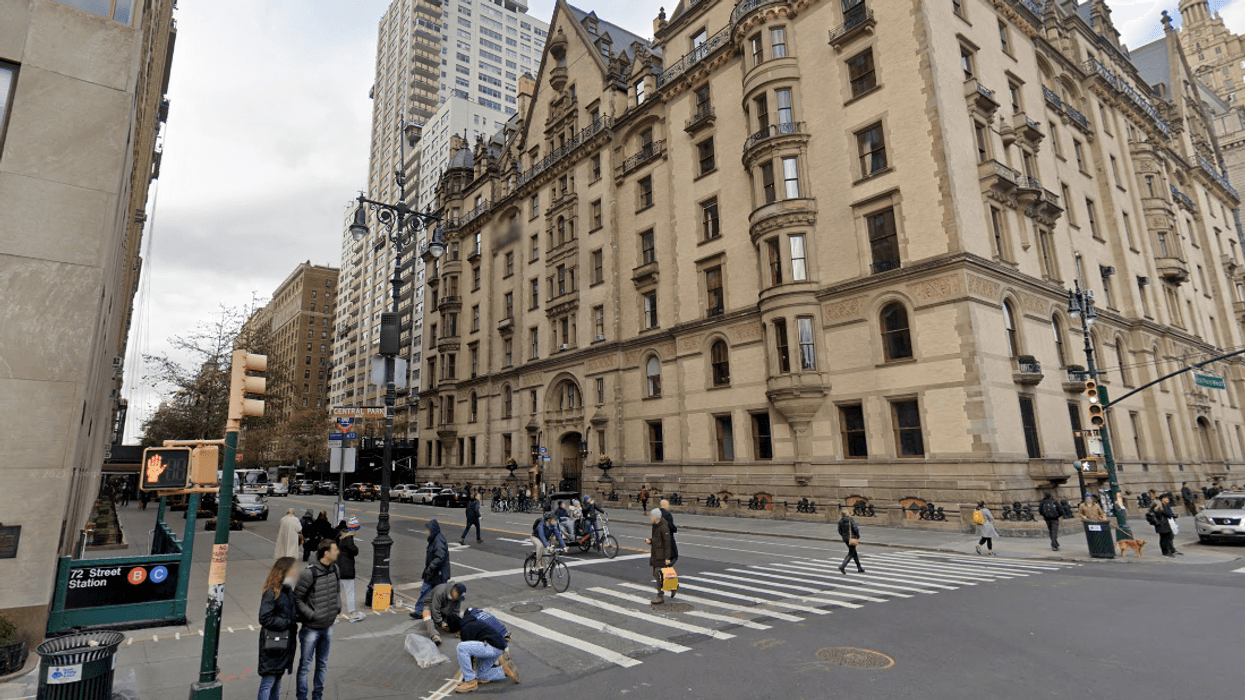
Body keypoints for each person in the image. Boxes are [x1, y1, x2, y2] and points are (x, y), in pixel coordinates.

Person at [294, 540, 340, 700]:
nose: (338, 552)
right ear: (326, 553)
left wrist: (337, 608)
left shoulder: (335, 569)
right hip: (311, 628)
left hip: (328, 626)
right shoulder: (309, 573)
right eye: (335, 549)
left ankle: (317, 696)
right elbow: (297, 598)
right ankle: (302, 697)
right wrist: (312, 615)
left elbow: (337, 591)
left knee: (323, 664)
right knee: (305, 665)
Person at [257, 557, 299, 700]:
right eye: (292, 568)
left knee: (277, 681)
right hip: (273, 644)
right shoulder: (272, 592)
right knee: (268, 683)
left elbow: (291, 612)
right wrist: (287, 622)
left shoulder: (287, 591)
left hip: (283, 644)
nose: (295, 571)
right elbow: (264, 618)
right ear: (284, 571)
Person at [449, 609, 520, 693]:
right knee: (481, 675)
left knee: (461, 647)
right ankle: (505, 670)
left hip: (492, 646)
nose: (456, 635)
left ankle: (471, 683)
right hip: (498, 646)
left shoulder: (465, 629)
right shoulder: (470, 622)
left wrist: (467, 679)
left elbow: (470, 657)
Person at [410, 519, 451, 620]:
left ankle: (443, 614)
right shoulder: (435, 539)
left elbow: (440, 557)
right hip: (433, 573)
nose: (426, 532)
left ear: (432, 530)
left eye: (427, 530)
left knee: (436, 594)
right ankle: (419, 611)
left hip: (438, 574)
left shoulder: (438, 540)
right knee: (426, 591)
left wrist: (431, 568)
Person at [335, 517, 363, 622]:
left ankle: (333, 615)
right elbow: (353, 550)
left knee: (337, 592)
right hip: (347, 570)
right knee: (350, 592)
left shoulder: (342, 537)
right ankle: (352, 614)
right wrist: (356, 549)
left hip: (339, 568)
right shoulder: (349, 538)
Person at [423, 581, 466, 645]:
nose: (459, 599)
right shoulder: (440, 591)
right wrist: (440, 622)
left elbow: (456, 612)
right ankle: (434, 635)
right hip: (431, 606)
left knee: (453, 623)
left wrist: (455, 626)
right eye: (458, 596)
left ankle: (452, 628)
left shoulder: (457, 598)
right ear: (454, 592)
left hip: (445, 609)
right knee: (426, 615)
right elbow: (435, 609)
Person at [644, 508, 673, 604]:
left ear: (655, 517)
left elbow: (667, 543)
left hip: (661, 556)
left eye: (651, 516)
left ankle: (660, 596)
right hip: (655, 554)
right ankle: (673, 586)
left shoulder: (664, 527)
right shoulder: (655, 526)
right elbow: (657, 540)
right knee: (657, 574)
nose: (650, 518)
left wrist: (667, 558)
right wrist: (650, 541)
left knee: (658, 575)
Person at [530, 512, 565, 586]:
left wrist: (564, 546)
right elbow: (541, 536)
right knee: (540, 546)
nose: (554, 521)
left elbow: (558, 535)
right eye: (553, 519)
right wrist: (547, 546)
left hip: (545, 540)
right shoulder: (541, 525)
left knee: (546, 560)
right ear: (549, 520)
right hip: (536, 538)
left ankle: (544, 578)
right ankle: (538, 564)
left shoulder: (553, 526)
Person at [659, 498, 678, 565]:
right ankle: (667, 568)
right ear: (665, 505)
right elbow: (670, 526)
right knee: (674, 556)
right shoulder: (667, 515)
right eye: (668, 505)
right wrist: (675, 529)